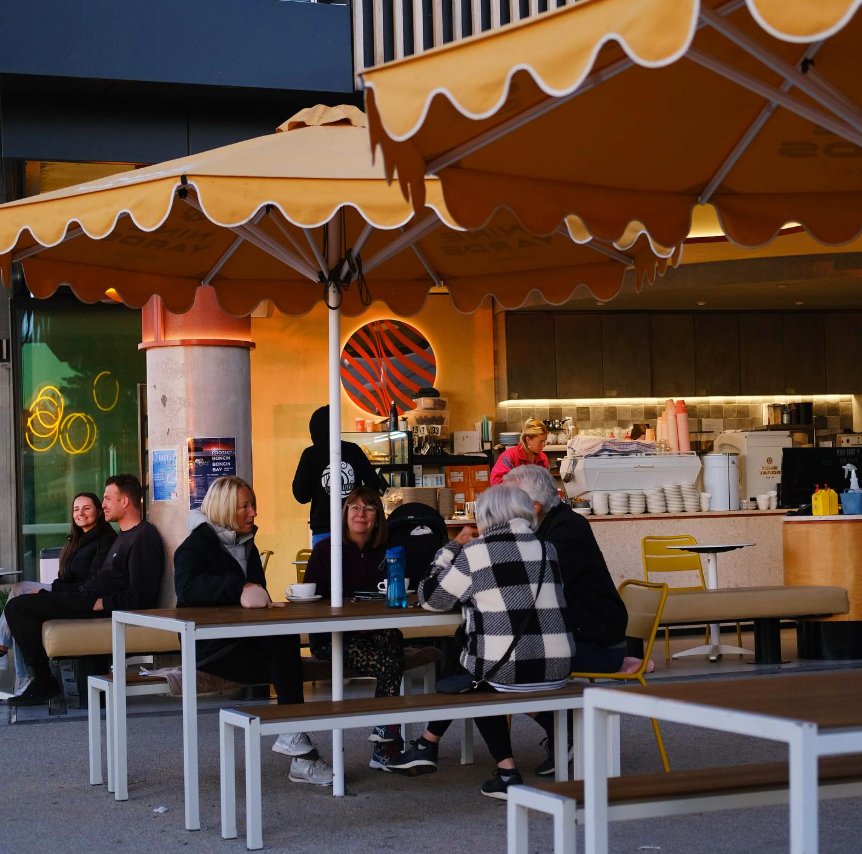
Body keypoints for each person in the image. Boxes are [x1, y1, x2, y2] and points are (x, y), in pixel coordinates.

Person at [391, 484, 574, 800]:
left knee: (475, 677)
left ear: (486, 515)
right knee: (472, 662)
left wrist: (450, 547)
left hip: (508, 671)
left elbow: (430, 597)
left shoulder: (477, 554)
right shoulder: (549, 549)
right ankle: (429, 744)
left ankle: (504, 771)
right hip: (558, 666)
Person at [173, 476, 333, 787]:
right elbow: (188, 589)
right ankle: (299, 748)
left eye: (253, 505)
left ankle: (298, 744)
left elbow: (256, 592)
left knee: (286, 651)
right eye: (245, 506)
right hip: (209, 648)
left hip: (244, 641)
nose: (253, 513)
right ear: (224, 508)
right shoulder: (193, 547)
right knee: (287, 658)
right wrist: (239, 587)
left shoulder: (246, 543)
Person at [503, 465, 632, 775]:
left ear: (533, 507)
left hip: (596, 645)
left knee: (503, 667)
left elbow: (535, 587)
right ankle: (564, 730)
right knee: (491, 661)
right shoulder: (541, 526)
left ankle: (567, 731)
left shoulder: (567, 530)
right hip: (568, 637)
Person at [4, 474, 164, 706]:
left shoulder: (143, 538)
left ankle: (43, 681)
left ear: (125, 502)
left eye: (108, 498)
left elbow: (141, 596)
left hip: (94, 604)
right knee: (22, 602)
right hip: (85, 597)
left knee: (18, 608)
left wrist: (102, 603)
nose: (104, 504)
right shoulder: (124, 536)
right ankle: (41, 679)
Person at [303, 486, 406, 772]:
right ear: (345, 513)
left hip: (372, 632)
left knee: (393, 637)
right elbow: (311, 599)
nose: (361, 514)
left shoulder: (388, 551)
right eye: (355, 508)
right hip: (332, 637)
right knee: (389, 660)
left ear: (377, 517)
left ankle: (386, 737)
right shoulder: (327, 549)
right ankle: (386, 744)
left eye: (369, 508)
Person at [0, 492, 117, 694]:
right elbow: (66, 577)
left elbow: (89, 584)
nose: (80, 513)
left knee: (19, 605)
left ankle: (14, 662)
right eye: (76, 509)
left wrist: (49, 592)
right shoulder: (78, 539)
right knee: (18, 591)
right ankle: (17, 668)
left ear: (98, 511)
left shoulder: (104, 541)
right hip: (66, 591)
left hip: (80, 598)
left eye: (86, 508)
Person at [292, 405, 388, 546]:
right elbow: (374, 484)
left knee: (326, 566)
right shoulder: (353, 450)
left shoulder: (310, 455)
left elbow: (301, 495)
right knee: (354, 567)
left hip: (323, 528)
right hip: (354, 528)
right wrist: (358, 501)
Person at [490, 418, 550, 484]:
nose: (544, 445)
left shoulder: (543, 459)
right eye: (541, 441)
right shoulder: (509, 457)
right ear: (528, 440)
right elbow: (496, 481)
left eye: (545, 441)